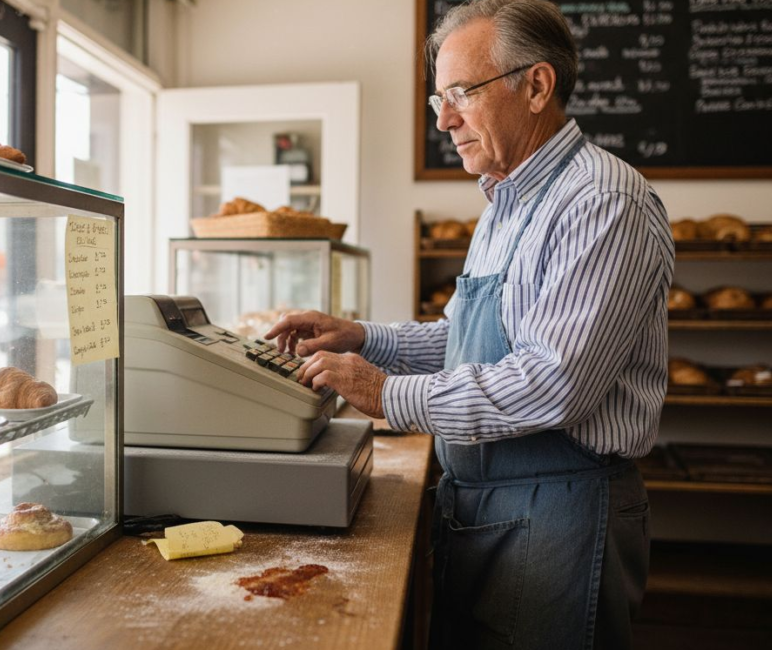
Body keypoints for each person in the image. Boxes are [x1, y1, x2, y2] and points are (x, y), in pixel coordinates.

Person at [265, 1, 674, 648]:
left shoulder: (602, 203)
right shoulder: (507, 201)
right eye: (438, 101)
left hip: (562, 510)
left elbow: (553, 383)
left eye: (460, 94)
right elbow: (463, 340)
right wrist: (364, 337)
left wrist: (384, 393)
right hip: (488, 504)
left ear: (536, 86)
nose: (445, 120)